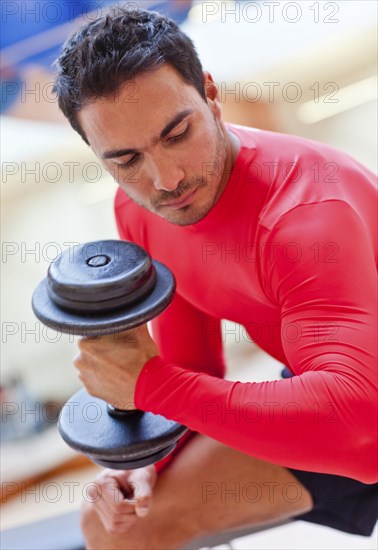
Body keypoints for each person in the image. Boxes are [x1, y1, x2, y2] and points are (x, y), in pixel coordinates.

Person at [53, 7, 377, 549]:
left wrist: (147, 385)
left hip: (356, 411)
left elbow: (363, 434)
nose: (166, 179)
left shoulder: (306, 213)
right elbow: (190, 365)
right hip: (327, 397)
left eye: (177, 133)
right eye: (126, 160)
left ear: (210, 93)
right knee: (120, 527)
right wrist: (146, 460)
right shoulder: (141, 212)